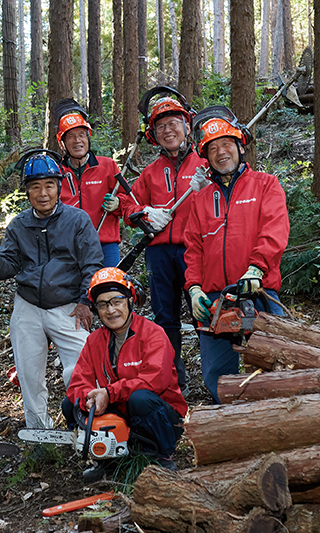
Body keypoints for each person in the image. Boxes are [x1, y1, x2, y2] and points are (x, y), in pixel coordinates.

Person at [0, 150, 103, 429]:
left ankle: (84, 423)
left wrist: (85, 301)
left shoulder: (78, 220)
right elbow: (7, 265)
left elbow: (92, 263)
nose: (42, 193)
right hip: (28, 305)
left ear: (59, 187)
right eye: (35, 186)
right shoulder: (20, 224)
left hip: (70, 305)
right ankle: (39, 430)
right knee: (29, 374)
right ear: (27, 191)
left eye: (49, 185)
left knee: (81, 368)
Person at [183, 106, 290, 403]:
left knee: (278, 363)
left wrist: (257, 269)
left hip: (259, 291)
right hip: (217, 300)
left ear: (240, 147)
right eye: (213, 148)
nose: (221, 152)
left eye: (227, 144)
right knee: (217, 377)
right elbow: (193, 249)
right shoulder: (201, 199)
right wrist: (193, 289)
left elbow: (275, 230)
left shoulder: (266, 185)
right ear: (206, 157)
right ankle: (234, 428)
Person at [117, 90, 209, 395]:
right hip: (158, 253)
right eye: (161, 127)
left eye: (173, 123)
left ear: (186, 125)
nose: (168, 130)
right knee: (165, 318)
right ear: (153, 135)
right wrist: (144, 214)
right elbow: (125, 204)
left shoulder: (205, 164)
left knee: (203, 313)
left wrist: (207, 186)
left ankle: (214, 375)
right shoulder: (150, 172)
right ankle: (172, 381)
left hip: (195, 251)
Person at [64, 267, 188, 480]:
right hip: (120, 413)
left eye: (116, 301)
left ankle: (162, 456)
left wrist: (109, 393)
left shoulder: (153, 333)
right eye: (102, 305)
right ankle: (107, 458)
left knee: (140, 398)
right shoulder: (94, 341)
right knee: (71, 403)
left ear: (130, 300)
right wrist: (89, 399)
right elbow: (78, 382)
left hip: (159, 414)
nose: (110, 310)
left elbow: (154, 380)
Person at [55, 101, 124, 267]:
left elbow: (129, 201)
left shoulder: (108, 166)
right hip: (69, 247)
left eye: (81, 135)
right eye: (70, 136)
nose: (77, 140)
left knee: (111, 289)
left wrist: (118, 204)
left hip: (105, 245)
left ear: (88, 137)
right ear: (62, 142)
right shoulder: (56, 173)